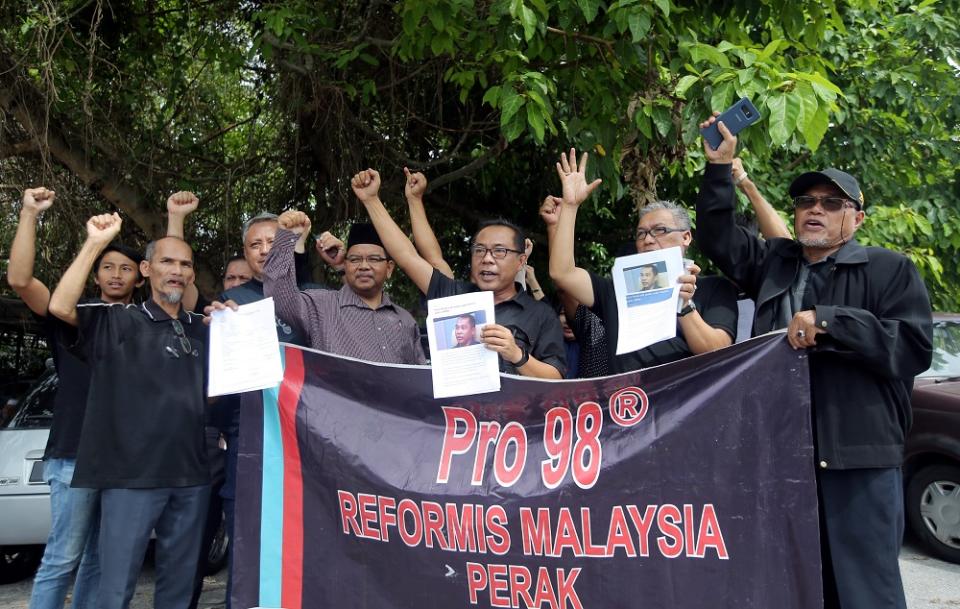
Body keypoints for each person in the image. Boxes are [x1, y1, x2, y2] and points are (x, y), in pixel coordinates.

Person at [695, 114, 933, 609]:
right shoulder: (774, 262)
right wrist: (719, 170)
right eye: (805, 202)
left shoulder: (888, 269)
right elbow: (719, 239)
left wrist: (829, 320)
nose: (814, 211)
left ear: (857, 218)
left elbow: (911, 347)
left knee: (867, 592)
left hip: (858, 463)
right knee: (792, 584)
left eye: (831, 203)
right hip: (778, 457)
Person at [49, 214, 211, 609]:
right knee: (115, 588)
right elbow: (60, 305)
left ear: (192, 276)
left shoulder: (203, 327)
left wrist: (231, 325)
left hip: (191, 477)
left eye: (185, 264)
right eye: (167, 262)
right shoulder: (118, 320)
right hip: (131, 478)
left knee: (179, 587)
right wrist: (94, 243)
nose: (176, 271)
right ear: (146, 270)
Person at [7, 187, 144, 609]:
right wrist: (30, 213)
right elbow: (19, 280)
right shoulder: (71, 317)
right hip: (73, 457)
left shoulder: (144, 324)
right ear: (95, 273)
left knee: (99, 560)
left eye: (125, 268)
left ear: (140, 276)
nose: (116, 274)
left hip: (122, 461)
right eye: (107, 266)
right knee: (62, 558)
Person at [354, 168, 566, 378]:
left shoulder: (541, 314)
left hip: (509, 411)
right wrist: (372, 200)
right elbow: (408, 257)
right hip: (448, 411)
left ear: (521, 261)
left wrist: (517, 354)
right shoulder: (453, 295)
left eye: (499, 251)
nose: (487, 259)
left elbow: (556, 378)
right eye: (480, 250)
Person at [547, 149, 738, 374]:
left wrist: (684, 305)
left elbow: (719, 353)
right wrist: (570, 206)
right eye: (641, 234)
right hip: (629, 405)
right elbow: (562, 273)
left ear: (686, 237)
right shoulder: (617, 289)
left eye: (660, 230)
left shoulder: (714, 288)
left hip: (687, 404)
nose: (648, 240)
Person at [263, 212, 426, 364]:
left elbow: (418, 377)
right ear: (346, 266)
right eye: (354, 260)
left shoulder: (405, 320)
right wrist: (286, 238)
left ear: (389, 268)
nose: (363, 266)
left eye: (374, 259)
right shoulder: (320, 306)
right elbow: (280, 297)